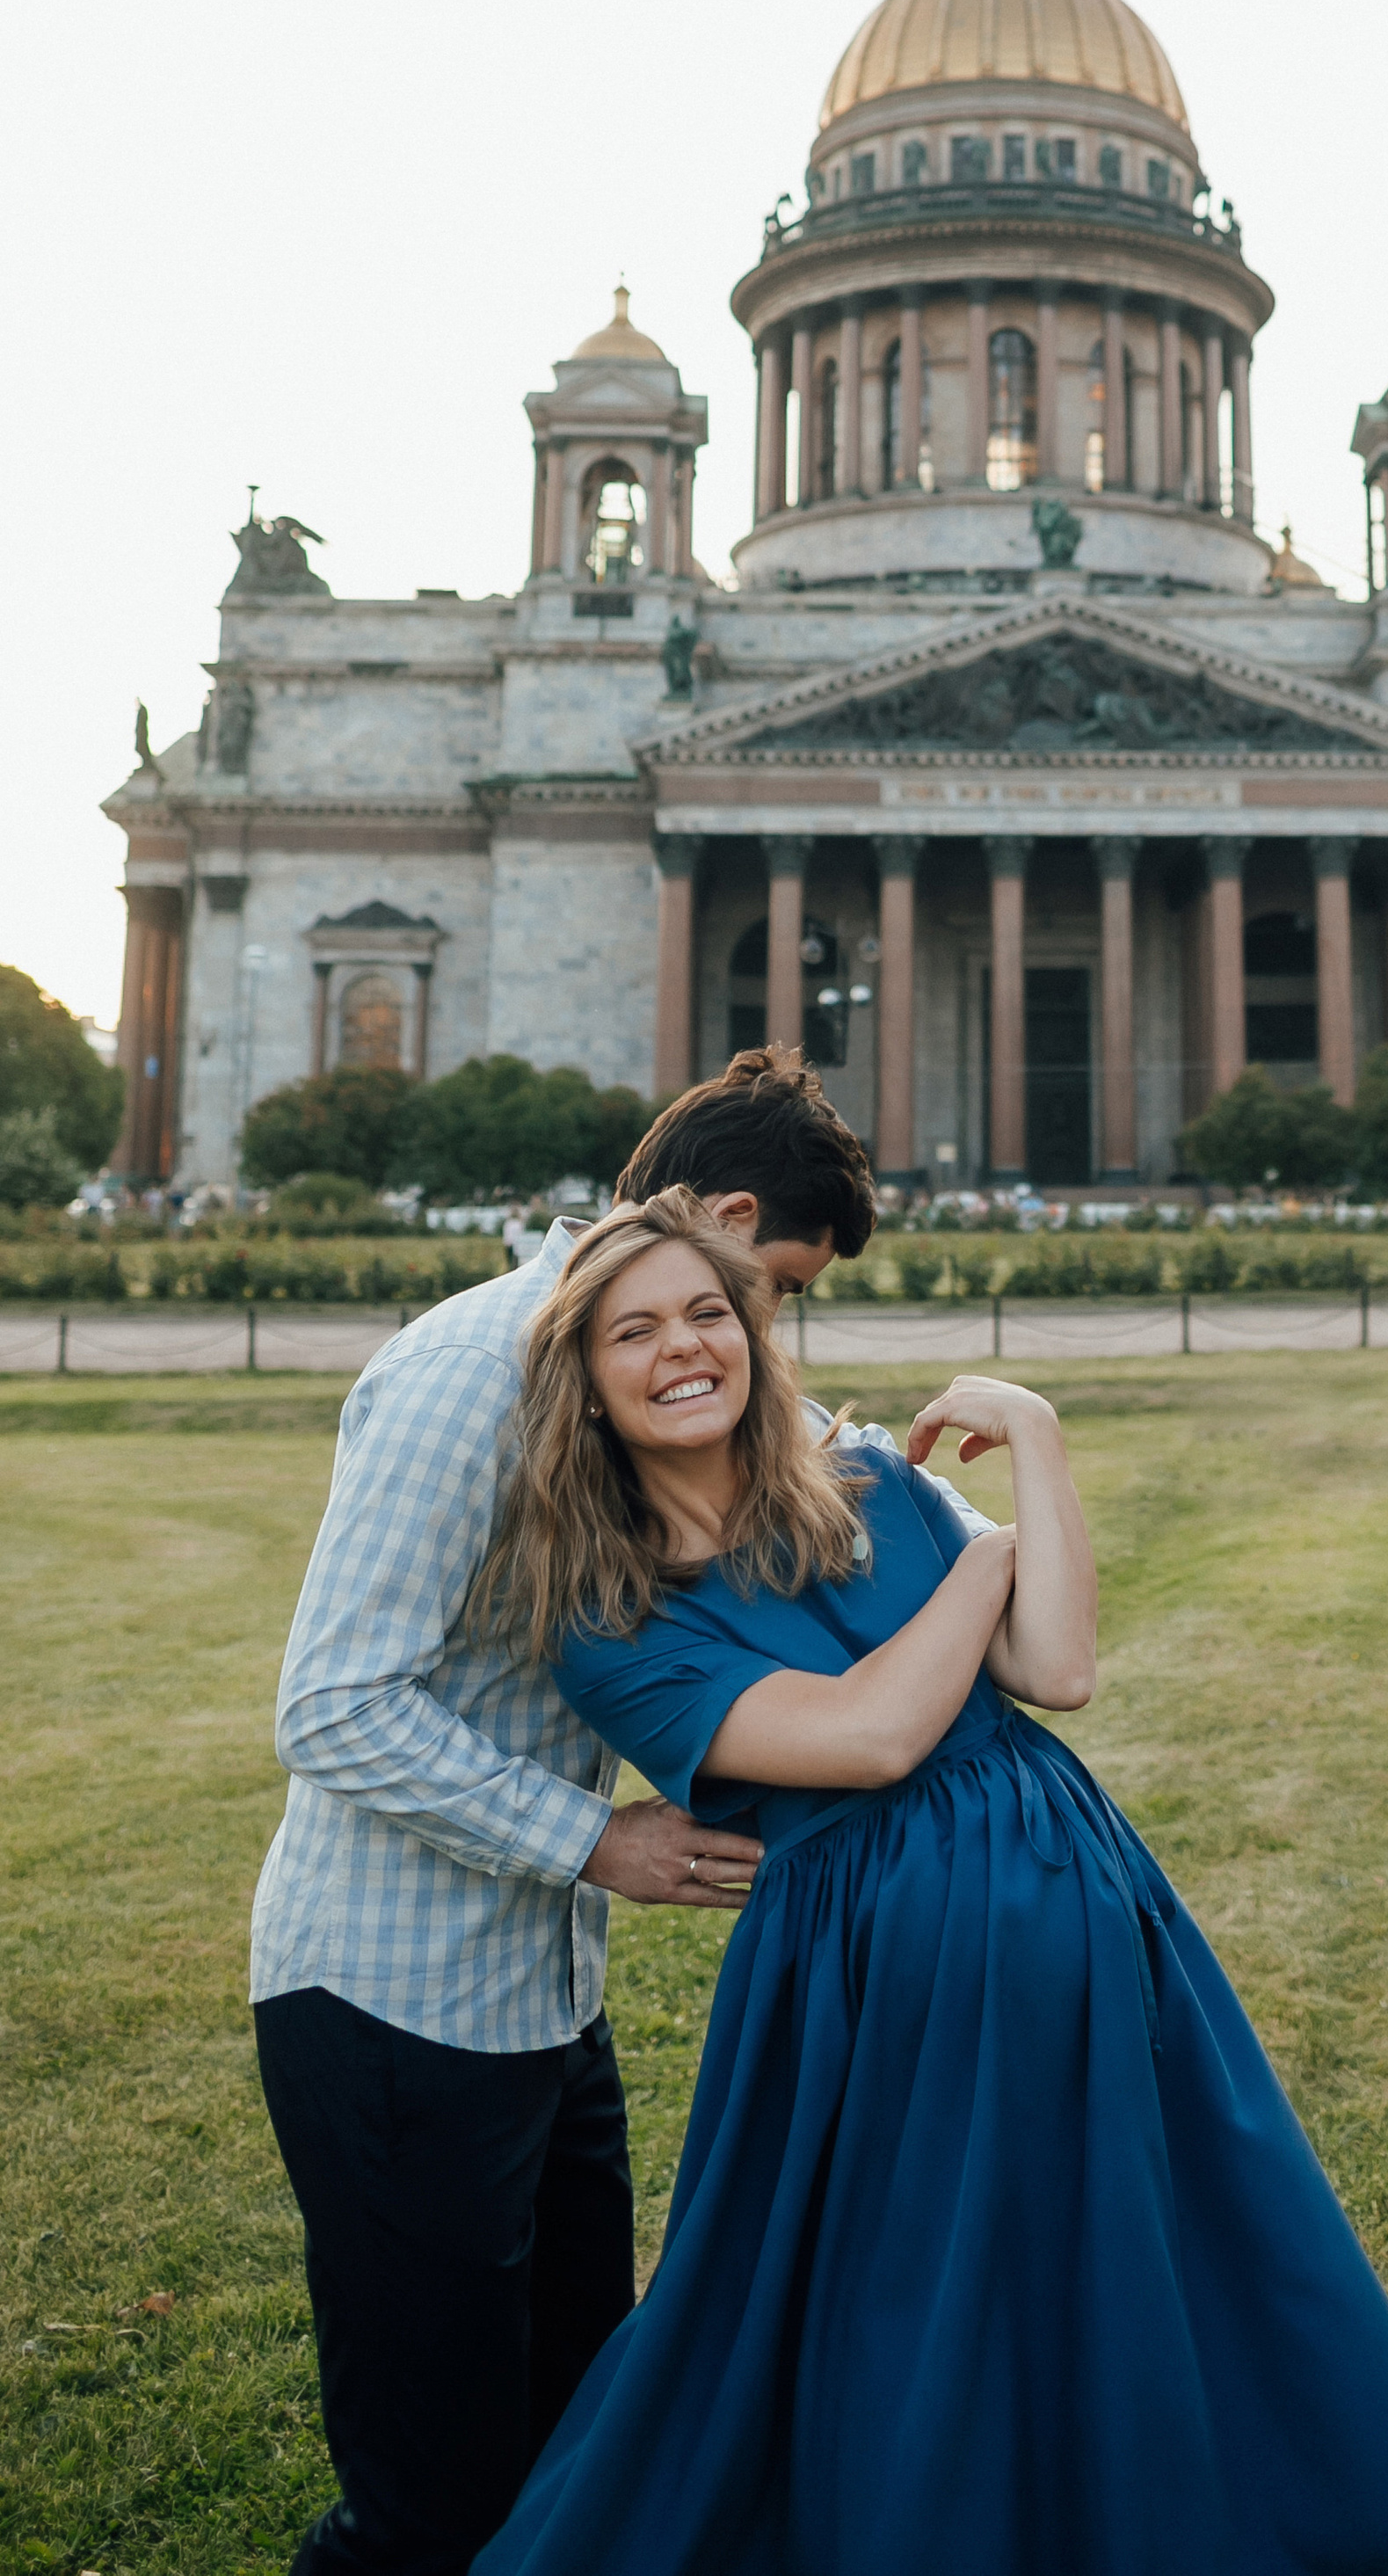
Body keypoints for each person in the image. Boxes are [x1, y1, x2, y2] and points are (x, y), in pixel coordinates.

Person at [468, 1194, 1388, 2576]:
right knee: (908, 2289)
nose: (685, 1349)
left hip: (1077, 1900)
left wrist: (1038, 1445)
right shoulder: (608, 1618)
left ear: (756, 1333)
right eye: (635, 1331)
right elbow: (870, 1737)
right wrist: (989, 1557)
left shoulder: (872, 1490)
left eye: (711, 1313)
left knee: (1127, 2249)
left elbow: (1056, 1670)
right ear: (584, 1385)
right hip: (874, 1977)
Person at [251, 1050, 919, 2576]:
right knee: (433, 2504)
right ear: (732, 1217)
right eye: (788, 1287)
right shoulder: (468, 1373)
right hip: (390, 2006)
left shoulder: (612, 1376)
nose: (765, 1329)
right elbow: (334, 1704)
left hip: (538, 2004)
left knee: (575, 2450)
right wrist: (597, 1842)